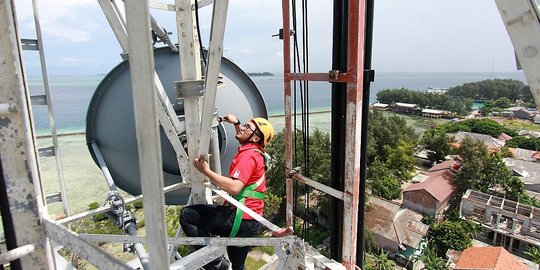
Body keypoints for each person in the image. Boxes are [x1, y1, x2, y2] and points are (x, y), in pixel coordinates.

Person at [179, 114, 275, 270]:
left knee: (187, 216)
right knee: (238, 265)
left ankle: (216, 264)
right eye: (244, 124)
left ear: (256, 138)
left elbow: (234, 187)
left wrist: (206, 171)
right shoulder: (257, 152)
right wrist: (236, 123)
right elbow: (247, 135)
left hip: (239, 218)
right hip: (251, 221)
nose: (243, 128)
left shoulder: (248, 156)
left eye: (247, 127)